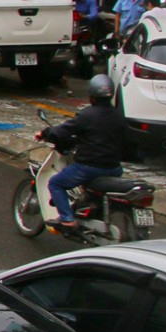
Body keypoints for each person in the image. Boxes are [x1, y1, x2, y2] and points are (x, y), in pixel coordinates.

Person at [40, 75, 135, 230]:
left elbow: (62, 131)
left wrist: (45, 133)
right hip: (114, 168)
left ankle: (67, 219)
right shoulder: (119, 116)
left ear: (91, 96)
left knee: (56, 183)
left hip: (88, 168)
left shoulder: (87, 115)